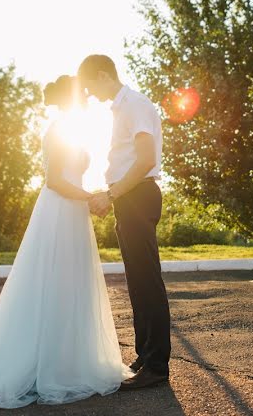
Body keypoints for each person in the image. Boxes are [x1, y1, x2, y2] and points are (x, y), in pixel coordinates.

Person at [0, 74, 131, 409]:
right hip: (59, 211)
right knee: (53, 281)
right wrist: (91, 198)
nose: (87, 97)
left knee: (71, 283)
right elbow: (55, 180)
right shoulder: (59, 130)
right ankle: (44, 363)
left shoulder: (71, 128)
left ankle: (68, 358)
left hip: (72, 213)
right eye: (82, 93)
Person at [78, 54, 171, 390]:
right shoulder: (122, 108)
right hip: (129, 196)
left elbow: (145, 160)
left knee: (147, 281)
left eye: (90, 86)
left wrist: (112, 195)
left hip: (138, 196)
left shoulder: (135, 104)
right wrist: (111, 192)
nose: (90, 94)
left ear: (104, 75)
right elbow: (127, 159)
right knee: (136, 282)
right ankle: (146, 355)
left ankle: (158, 366)